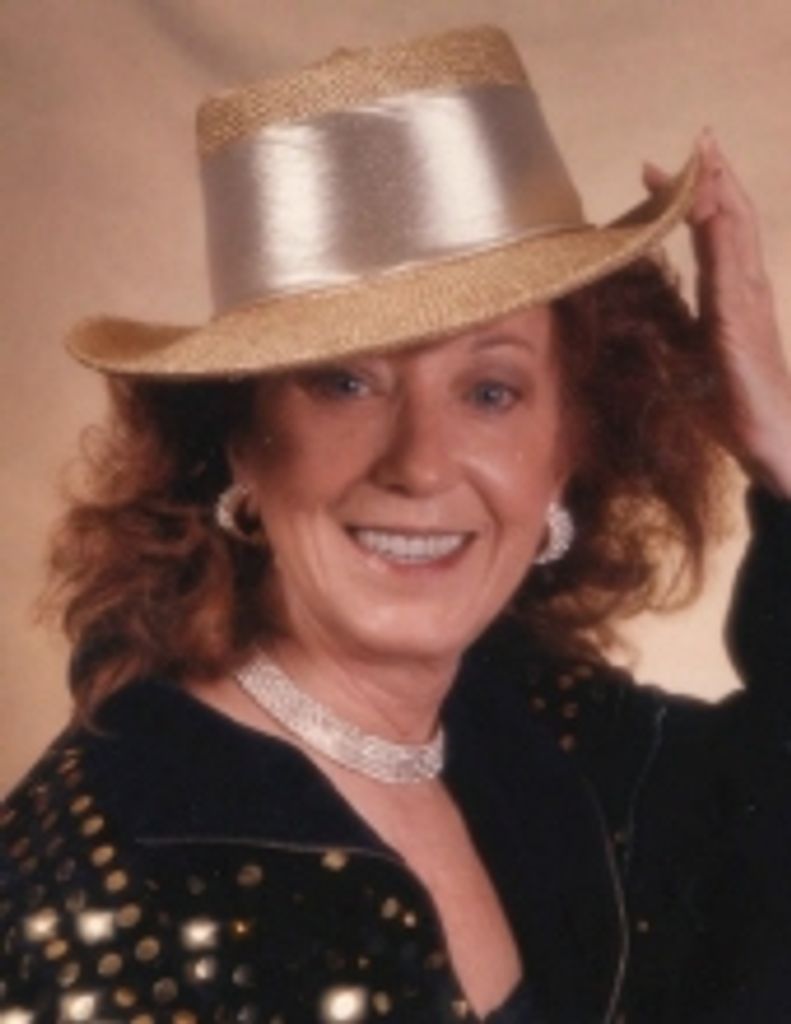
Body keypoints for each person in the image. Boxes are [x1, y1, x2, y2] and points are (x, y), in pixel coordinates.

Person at [1, 23, 790, 1024]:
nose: (418, 463)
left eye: (490, 391)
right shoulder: (102, 881)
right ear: (241, 442)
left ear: (568, 445)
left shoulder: (536, 730)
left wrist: (779, 442)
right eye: (344, 382)